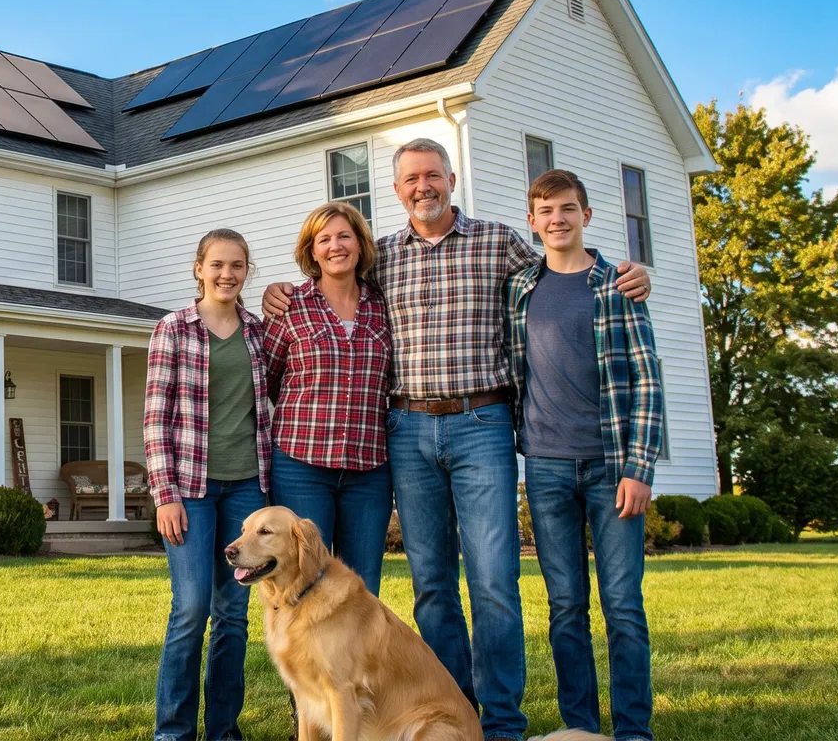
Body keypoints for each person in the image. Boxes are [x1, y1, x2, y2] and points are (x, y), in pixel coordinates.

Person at [262, 138, 650, 741]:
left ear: (451, 178)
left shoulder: (499, 243)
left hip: (482, 426)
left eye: (433, 175)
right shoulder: (380, 257)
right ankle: (450, 712)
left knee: (493, 579)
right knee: (432, 584)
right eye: (411, 178)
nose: (424, 186)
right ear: (396, 190)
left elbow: (562, 265)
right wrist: (277, 293)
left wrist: (624, 271)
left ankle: (499, 723)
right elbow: (326, 282)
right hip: (408, 428)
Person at [510, 169, 664, 741]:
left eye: (568, 209)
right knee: (566, 607)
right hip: (546, 467)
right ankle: (581, 729)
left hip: (610, 467)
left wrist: (638, 467)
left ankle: (632, 731)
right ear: (533, 221)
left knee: (622, 605)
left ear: (587, 216)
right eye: (547, 211)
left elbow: (647, 380)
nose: (558, 219)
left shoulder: (617, 285)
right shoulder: (521, 286)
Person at [145, 228, 276, 741]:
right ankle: (173, 732)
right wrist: (165, 495)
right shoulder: (173, 329)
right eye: (217, 265)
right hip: (191, 491)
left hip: (247, 486)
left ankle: (224, 730)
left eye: (238, 266)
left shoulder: (259, 333)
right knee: (192, 607)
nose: (227, 274)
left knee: (233, 614)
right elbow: (156, 419)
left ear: (247, 272)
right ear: (198, 268)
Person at [258, 201, 395, 596]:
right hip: (301, 465)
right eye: (324, 239)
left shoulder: (383, 306)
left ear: (360, 244)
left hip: (369, 469)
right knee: (303, 579)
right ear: (311, 250)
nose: (336, 246)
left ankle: (354, 660)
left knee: (361, 584)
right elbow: (268, 377)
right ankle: (305, 659)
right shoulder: (290, 306)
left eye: (344, 236)